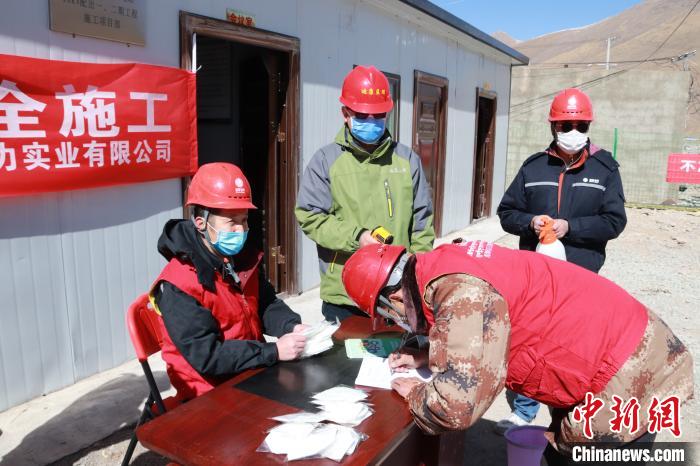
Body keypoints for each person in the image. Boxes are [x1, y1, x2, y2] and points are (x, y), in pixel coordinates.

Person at [341, 241, 693, 463]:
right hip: (626, 352)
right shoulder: (443, 262)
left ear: (397, 297)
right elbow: (490, 325)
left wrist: (418, 393)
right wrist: (430, 350)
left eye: (389, 313)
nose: (396, 320)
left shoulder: (462, 292)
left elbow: (457, 408)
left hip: (630, 375)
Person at [496, 88, 628, 432]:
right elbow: (506, 212)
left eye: (579, 123)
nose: (572, 130)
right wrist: (529, 221)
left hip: (582, 277)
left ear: (588, 124)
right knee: (530, 340)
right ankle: (524, 411)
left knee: (574, 347)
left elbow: (615, 221)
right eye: (564, 124)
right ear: (552, 126)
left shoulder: (605, 168)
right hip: (536, 278)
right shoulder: (533, 166)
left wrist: (573, 227)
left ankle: (569, 414)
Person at [150, 162, 307, 401]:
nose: (240, 230)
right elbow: (207, 357)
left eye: (244, 220)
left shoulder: (238, 260)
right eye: (231, 221)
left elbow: (264, 303)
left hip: (251, 370)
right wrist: (273, 351)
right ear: (201, 222)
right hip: (209, 391)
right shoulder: (178, 284)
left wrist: (291, 326)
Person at [295, 65, 435, 323]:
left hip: (396, 291)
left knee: (400, 361)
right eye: (362, 115)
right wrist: (357, 237)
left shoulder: (406, 160)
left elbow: (422, 222)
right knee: (346, 362)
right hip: (345, 293)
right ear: (345, 114)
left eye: (378, 115)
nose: (371, 122)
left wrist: (414, 272)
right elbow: (310, 217)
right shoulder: (326, 161)